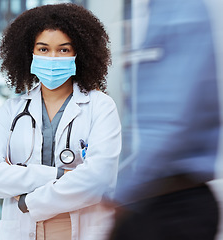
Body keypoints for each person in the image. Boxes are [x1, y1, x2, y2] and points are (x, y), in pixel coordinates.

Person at [0, 3, 121, 240]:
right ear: (29, 53)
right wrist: (60, 174)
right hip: (22, 230)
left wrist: (28, 200)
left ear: (79, 53)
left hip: (78, 227)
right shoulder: (12, 110)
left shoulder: (101, 107)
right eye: (43, 49)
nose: (53, 57)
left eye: (63, 50)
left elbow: (98, 180)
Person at [109, 0, 222, 239]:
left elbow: (170, 119)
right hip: (155, 196)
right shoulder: (150, 11)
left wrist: (119, 192)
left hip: (169, 200)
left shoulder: (180, 9)